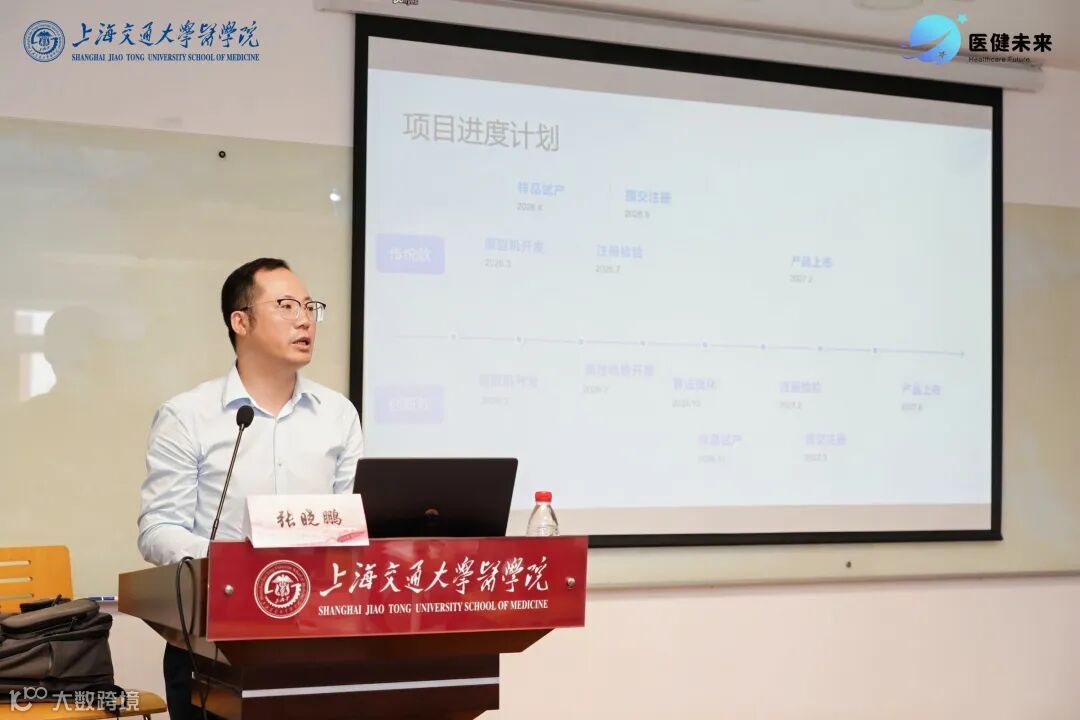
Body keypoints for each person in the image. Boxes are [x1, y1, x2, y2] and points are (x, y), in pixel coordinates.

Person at [137, 258, 363, 720]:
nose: (305, 320)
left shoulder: (338, 415)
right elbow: (157, 529)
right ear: (240, 322)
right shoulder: (188, 416)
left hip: (316, 639)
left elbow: (352, 526)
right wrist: (233, 565)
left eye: (310, 307)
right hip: (213, 646)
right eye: (286, 306)